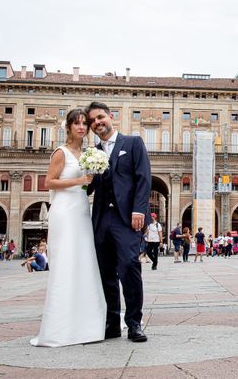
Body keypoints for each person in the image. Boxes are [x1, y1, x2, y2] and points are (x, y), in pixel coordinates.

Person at [30, 108, 106, 347]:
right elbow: (48, 182)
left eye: (85, 123)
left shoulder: (86, 153)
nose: (82, 127)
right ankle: (60, 326)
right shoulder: (61, 152)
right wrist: (80, 180)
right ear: (69, 127)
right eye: (77, 124)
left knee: (83, 263)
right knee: (65, 264)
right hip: (64, 212)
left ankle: (85, 323)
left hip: (82, 211)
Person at [87, 102, 152, 343]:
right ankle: (111, 323)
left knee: (129, 267)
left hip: (127, 219)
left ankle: (134, 322)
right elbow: (88, 187)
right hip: (102, 218)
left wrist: (139, 211)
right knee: (106, 273)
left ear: (110, 116)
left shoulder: (133, 143)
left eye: (100, 117)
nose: (97, 123)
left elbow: (144, 179)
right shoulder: (92, 152)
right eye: (92, 120)